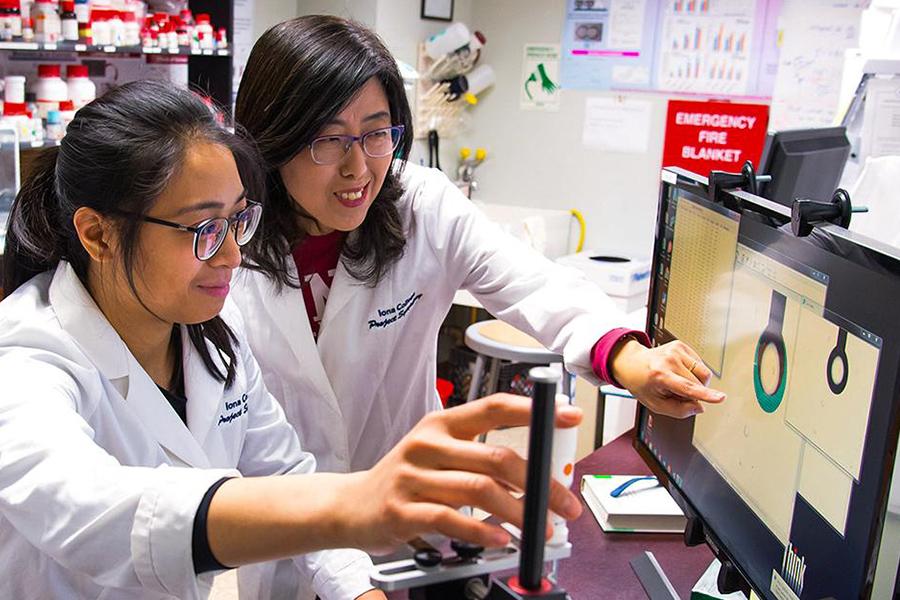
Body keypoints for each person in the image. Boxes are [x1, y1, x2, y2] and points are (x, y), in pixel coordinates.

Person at [0, 80, 583, 600]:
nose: (232, 254)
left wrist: (359, 589)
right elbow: (89, 511)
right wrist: (353, 502)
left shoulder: (211, 343)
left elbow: (285, 478)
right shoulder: (25, 358)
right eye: (203, 228)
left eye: (238, 221)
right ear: (98, 234)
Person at [231, 13, 725, 476]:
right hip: (286, 534)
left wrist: (628, 357)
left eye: (376, 133)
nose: (358, 167)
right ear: (273, 140)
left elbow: (535, 286)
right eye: (328, 139)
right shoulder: (225, 246)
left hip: (413, 525)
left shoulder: (421, 207)